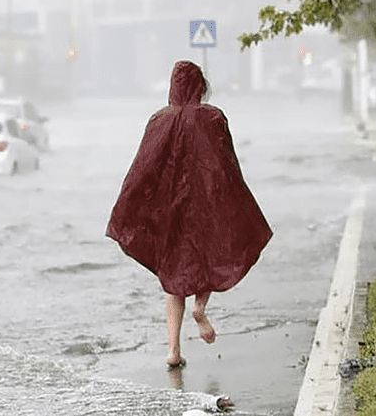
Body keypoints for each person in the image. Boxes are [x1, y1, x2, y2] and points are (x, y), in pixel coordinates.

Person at [106, 60, 272, 369]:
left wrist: (131, 206)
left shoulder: (159, 119)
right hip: (205, 204)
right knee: (207, 259)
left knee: (173, 277)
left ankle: (172, 349)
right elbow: (227, 163)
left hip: (171, 209)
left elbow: (143, 167)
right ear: (199, 86)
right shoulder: (212, 117)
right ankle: (201, 306)